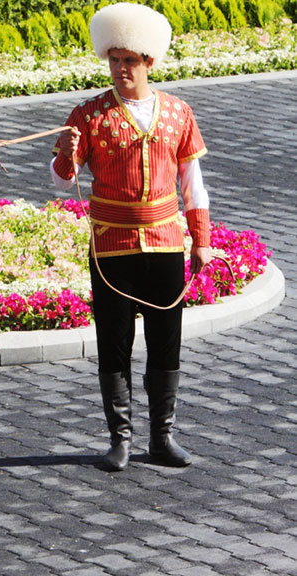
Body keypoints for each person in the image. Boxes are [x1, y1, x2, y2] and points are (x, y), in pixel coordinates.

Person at [50, 3, 211, 472]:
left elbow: (193, 183)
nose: (121, 69)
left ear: (149, 63)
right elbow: (61, 182)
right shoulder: (88, 115)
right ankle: (119, 438)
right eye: (114, 60)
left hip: (164, 243)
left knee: (166, 340)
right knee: (113, 341)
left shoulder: (179, 113)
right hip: (112, 246)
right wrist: (65, 155)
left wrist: (200, 239)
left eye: (130, 61)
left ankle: (162, 437)